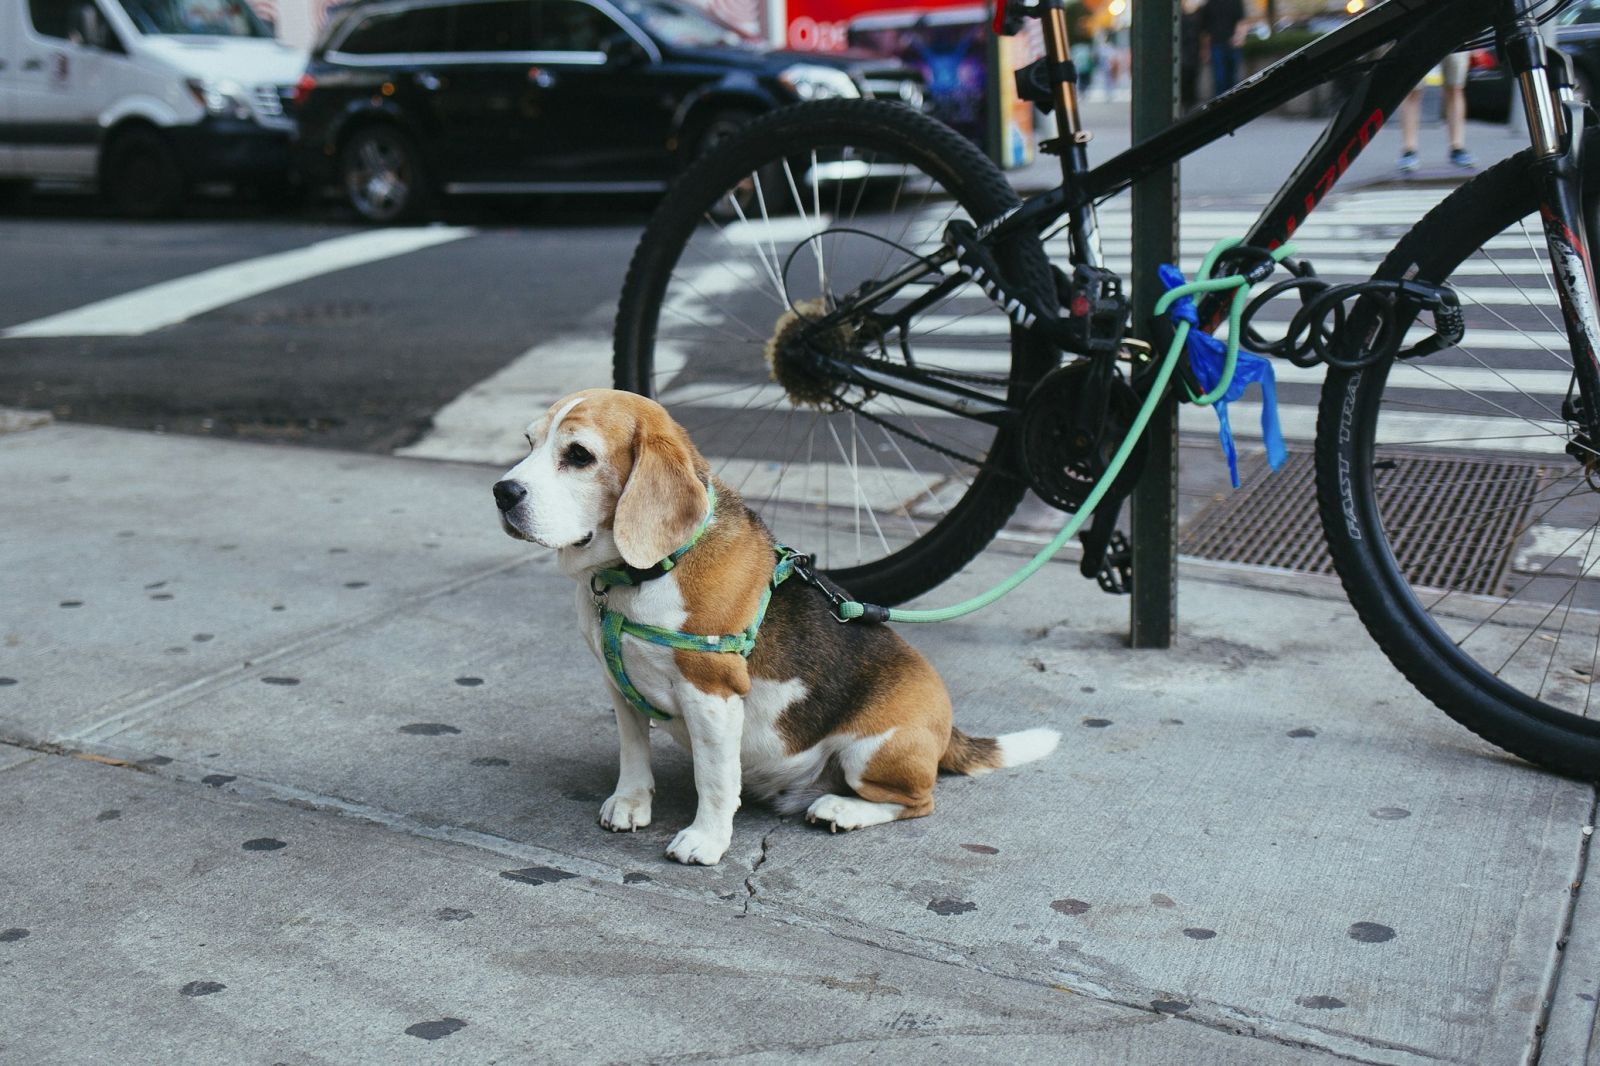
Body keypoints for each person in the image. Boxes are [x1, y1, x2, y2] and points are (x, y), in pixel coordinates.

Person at [1398, 52, 1473, 171]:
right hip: (1420, 35)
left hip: (1454, 35)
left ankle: (1457, 147)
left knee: (1455, 87)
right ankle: (1409, 149)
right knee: (1413, 89)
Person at [1202, 0, 1245, 97]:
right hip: (1216, 44)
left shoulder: (1235, 2)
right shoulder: (1209, 4)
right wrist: (1206, 50)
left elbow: (1241, 22)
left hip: (1231, 44)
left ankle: (1232, 103)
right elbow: (1205, 31)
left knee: (1232, 78)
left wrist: (1238, 38)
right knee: (1219, 79)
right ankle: (1221, 104)